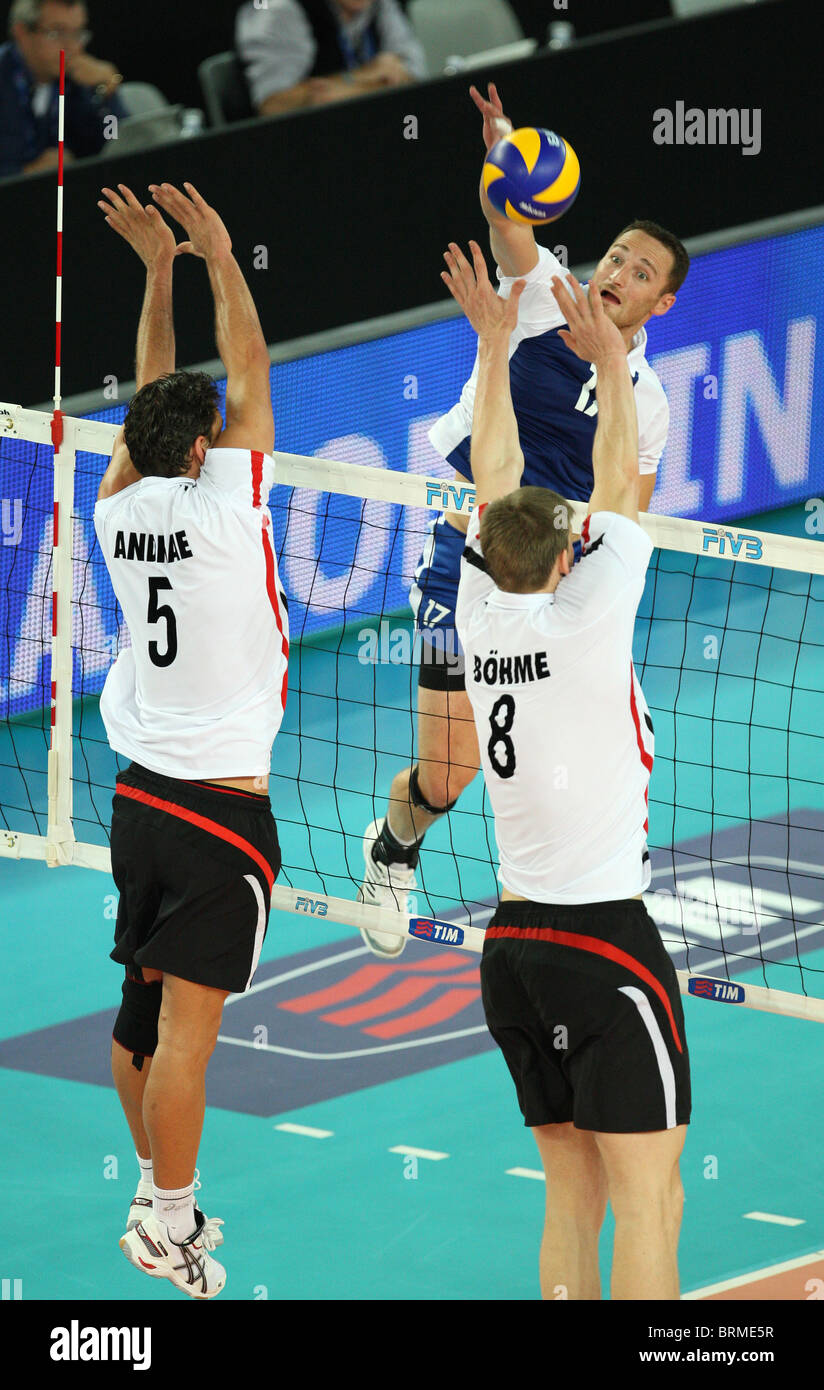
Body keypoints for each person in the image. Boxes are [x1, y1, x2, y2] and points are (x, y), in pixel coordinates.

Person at [357, 82, 688, 958]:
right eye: (615, 257)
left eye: (641, 273)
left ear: (662, 304)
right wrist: (506, 157)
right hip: (467, 555)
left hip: (560, 584)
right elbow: (508, 226)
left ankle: (572, 906)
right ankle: (396, 842)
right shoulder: (542, 294)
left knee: (573, 760)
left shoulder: (650, 401)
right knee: (447, 777)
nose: (617, 274)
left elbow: (625, 515)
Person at [448, 237, 689, 1300]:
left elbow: (496, 477)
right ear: (562, 561)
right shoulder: (585, 623)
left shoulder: (477, 611)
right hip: (603, 945)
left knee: (570, 1197)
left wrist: (493, 348)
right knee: (650, 1201)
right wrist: (612, 367)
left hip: (511, 951)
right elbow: (616, 485)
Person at [93, 179, 288, 1299]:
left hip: (142, 803)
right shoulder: (227, 507)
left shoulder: (117, 507)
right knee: (184, 1039)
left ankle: (152, 1192)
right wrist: (214, 252)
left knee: (141, 1020)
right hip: (218, 817)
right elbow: (250, 369)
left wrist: (158, 273)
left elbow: (153, 407)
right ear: (209, 447)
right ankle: (168, 1221)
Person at [235, 0, 426, 117]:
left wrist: (347, 91)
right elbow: (273, 105)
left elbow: (413, 78)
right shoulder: (279, 10)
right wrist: (366, 76)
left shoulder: (381, 5)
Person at [0, 0, 125, 178]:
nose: (73, 47)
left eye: (78, 33)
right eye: (57, 32)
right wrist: (24, 175)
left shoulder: (80, 80)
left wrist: (107, 97)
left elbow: (116, 145)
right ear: (22, 33)